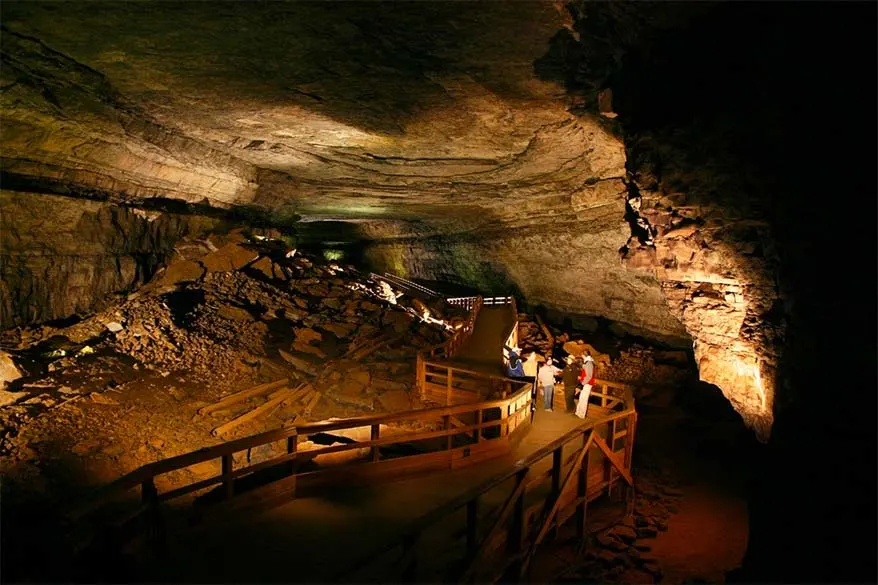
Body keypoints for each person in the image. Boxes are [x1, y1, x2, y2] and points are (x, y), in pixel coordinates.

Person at [575, 352, 596, 419]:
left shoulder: (589, 363)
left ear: (584, 355)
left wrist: (582, 384)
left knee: (584, 399)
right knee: (581, 398)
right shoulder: (587, 363)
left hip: (587, 383)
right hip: (585, 383)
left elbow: (589, 376)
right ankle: (578, 412)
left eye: (582, 355)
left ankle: (581, 415)